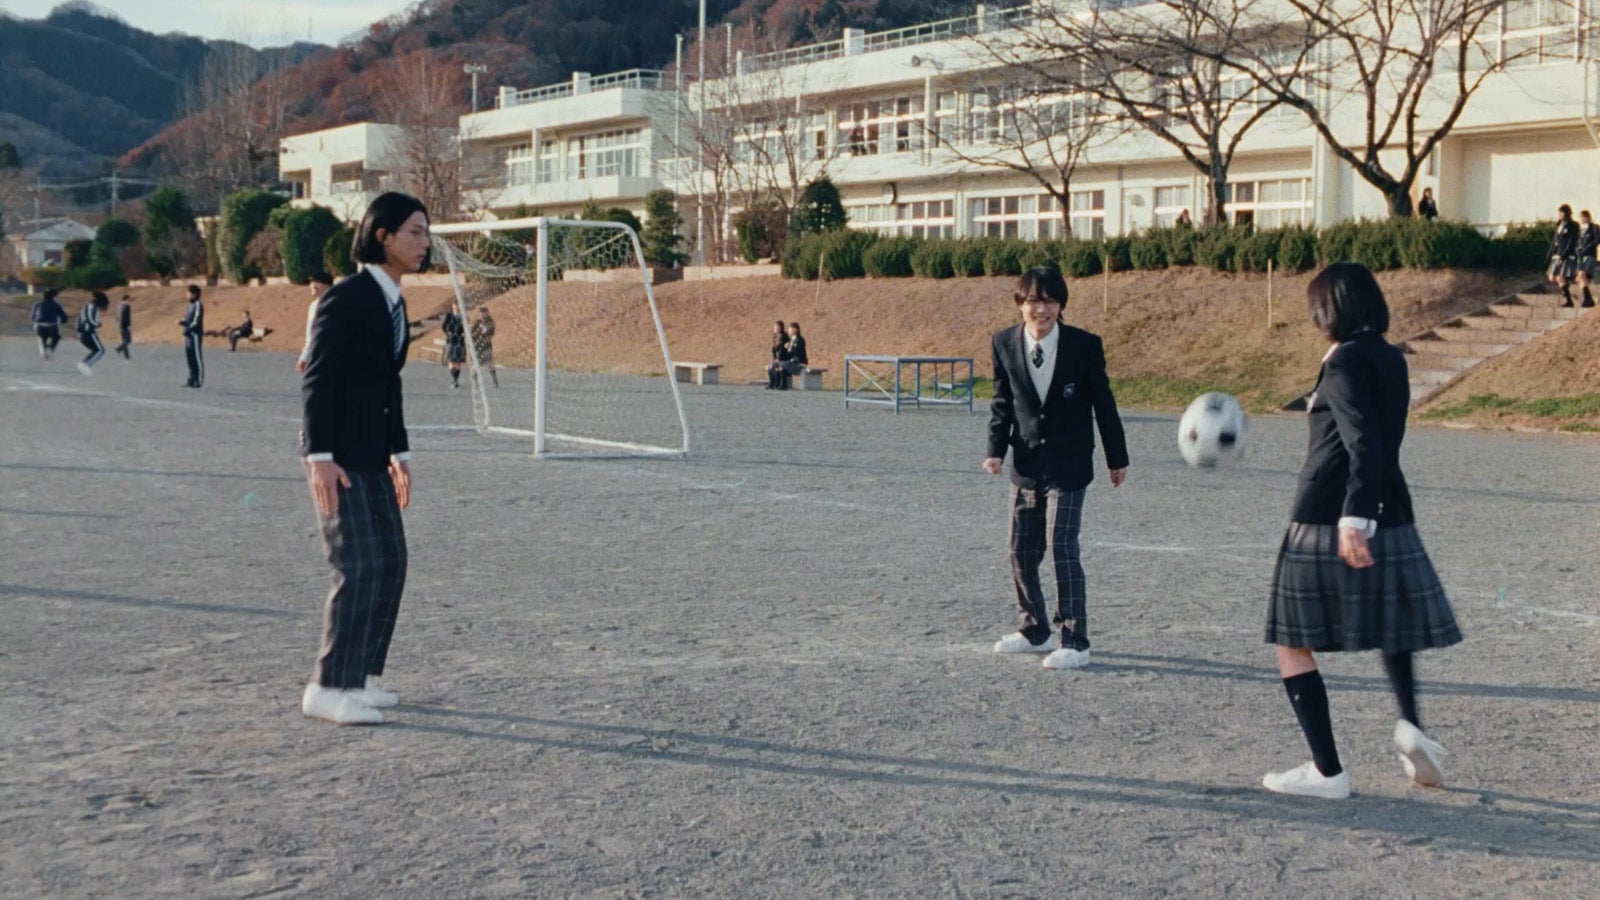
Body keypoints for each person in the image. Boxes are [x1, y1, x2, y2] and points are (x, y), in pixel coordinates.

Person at [1261, 262, 1461, 800]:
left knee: (1290, 640)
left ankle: (1327, 772)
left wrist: (1352, 518)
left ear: (1328, 311)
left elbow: (1363, 441)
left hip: (1326, 516)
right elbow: (1380, 442)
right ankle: (1411, 726)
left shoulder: (1343, 362)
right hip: (1391, 511)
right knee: (1394, 627)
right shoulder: (1391, 357)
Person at [299, 191, 428, 726]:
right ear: (383, 236)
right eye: (415, 231)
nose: (425, 242)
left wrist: (399, 451)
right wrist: (319, 456)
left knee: (391, 562)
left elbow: (388, 384)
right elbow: (318, 376)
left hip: (375, 456)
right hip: (339, 457)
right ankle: (327, 686)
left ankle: (363, 677)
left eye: (426, 232)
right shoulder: (346, 297)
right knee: (358, 567)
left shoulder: (393, 300)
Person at [983, 267, 1129, 670]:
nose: (1041, 309)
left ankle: (1075, 640)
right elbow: (1001, 403)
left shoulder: (1084, 345)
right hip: (1026, 463)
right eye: (1033, 301)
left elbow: (1104, 405)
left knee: (1062, 548)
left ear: (1061, 305)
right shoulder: (1003, 343)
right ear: (1020, 304)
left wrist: (1117, 458)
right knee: (1020, 552)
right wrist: (995, 450)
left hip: (1070, 464)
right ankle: (1035, 630)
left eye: (1050, 301)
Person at [296, 271, 335, 374]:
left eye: (317, 282)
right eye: (311, 282)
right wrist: (303, 358)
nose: (313, 285)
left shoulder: (337, 303)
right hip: (318, 357)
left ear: (328, 285)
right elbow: (311, 336)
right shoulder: (313, 306)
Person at [1547, 204, 1579, 307]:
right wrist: (1549, 255)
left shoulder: (1573, 225)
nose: (1560, 214)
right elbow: (1554, 242)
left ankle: (1569, 301)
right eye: (1559, 212)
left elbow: (1571, 241)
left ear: (1567, 213)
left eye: (1562, 212)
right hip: (1557, 254)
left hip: (1565, 255)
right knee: (1552, 277)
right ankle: (1565, 287)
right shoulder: (1559, 225)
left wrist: (1564, 254)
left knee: (1560, 277)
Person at [75, 291, 109, 376]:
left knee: (96, 350)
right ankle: (86, 364)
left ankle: (84, 364)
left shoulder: (86, 306)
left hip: (81, 332)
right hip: (88, 332)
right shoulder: (93, 307)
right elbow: (91, 320)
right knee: (100, 350)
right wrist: (98, 324)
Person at [29, 288, 69, 359]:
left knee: (42, 337)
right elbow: (64, 318)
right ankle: (50, 348)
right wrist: (64, 320)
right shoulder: (56, 305)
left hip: (39, 327)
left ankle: (43, 350)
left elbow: (32, 317)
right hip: (52, 327)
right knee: (57, 337)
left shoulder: (37, 304)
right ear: (53, 297)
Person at [177, 285, 205, 388]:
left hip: (195, 335)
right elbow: (188, 319)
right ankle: (192, 379)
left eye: (188, 293)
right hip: (188, 336)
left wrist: (189, 328)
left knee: (197, 357)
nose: (187, 295)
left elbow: (196, 321)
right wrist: (182, 322)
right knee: (189, 357)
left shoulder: (198, 305)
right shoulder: (190, 306)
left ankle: (199, 380)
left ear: (194, 294)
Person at [1573, 209, 1598, 309]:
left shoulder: (1594, 227)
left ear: (1588, 217)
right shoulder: (1580, 229)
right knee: (1578, 278)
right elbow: (1577, 242)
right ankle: (1588, 298)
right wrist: (1577, 250)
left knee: (1581, 274)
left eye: (1583, 217)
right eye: (1580, 217)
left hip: (1589, 254)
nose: (1582, 219)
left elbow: (1597, 240)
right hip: (1580, 256)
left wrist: (1586, 248)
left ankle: (1588, 299)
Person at [471, 306, 498, 388]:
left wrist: (485, 335)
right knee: (476, 365)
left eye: (485, 313)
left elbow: (492, 333)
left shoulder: (490, 322)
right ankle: (475, 382)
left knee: (490, 363)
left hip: (486, 346)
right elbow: (472, 333)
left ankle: (494, 380)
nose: (483, 315)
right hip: (478, 346)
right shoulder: (476, 323)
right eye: (481, 313)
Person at [440, 308, 466, 388]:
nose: (457, 307)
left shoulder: (463, 316)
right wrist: (448, 333)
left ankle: (455, 379)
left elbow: (466, 327)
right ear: (453, 306)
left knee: (458, 363)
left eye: (458, 305)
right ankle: (454, 379)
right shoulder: (449, 316)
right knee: (451, 361)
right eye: (455, 305)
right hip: (451, 341)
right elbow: (443, 326)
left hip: (460, 342)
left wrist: (462, 333)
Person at [765, 319, 788, 389]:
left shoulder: (784, 336)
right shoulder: (775, 337)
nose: (776, 328)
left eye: (778, 327)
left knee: (777, 366)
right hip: (778, 358)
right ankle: (772, 382)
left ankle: (779, 383)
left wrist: (779, 359)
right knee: (770, 367)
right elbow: (773, 350)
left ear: (781, 327)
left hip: (784, 358)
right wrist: (774, 358)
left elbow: (783, 350)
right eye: (775, 327)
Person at [114, 294, 132, 358]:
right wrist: (129, 325)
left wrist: (117, 324)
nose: (129, 301)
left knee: (124, 340)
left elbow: (117, 316)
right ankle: (118, 349)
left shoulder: (119, 306)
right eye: (129, 299)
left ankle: (127, 355)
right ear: (126, 299)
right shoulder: (127, 306)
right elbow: (126, 317)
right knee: (128, 340)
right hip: (125, 325)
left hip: (119, 325)